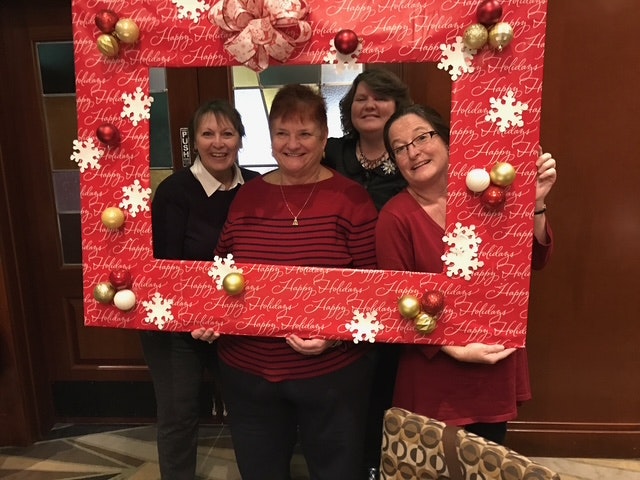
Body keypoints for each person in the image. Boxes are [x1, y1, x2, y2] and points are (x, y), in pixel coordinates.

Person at [193, 84, 378, 480]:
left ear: (324, 138)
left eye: (305, 133)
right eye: (282, 133)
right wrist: (210, 314)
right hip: (248, 371)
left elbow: (374, 289)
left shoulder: (352, 198)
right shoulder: (247, 197)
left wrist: (335, 334)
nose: (292, 144)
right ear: (270, 137)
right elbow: (222, 271)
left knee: (337, 471)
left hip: (332, 375)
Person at [376, 104, 557, 444]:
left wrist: (535, 204)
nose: (413, 152)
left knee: (484, 464)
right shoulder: (396, 217)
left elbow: (535, 260)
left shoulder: (488, 194)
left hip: (493, 361)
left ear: (445, 140)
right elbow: (397, 301)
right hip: (433, 372)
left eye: (421, 137)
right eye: (400, 148)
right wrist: (453, 347)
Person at [142, 99, 260, 480]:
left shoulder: (258, 187)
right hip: (177, 324)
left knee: (251, 411)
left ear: (241, 138)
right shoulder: (174, 192)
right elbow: (164, 269)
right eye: (208, 134)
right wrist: (195, 316)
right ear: (194, 141)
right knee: (179, 416)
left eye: (227, 133)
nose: (219, 142)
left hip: (240, 323)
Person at [322, 68, 413, 479]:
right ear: (349, 108)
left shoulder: (412, 153)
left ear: (398, 107)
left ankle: (383, 463)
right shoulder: (333, 153)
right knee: (345, 382)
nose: (370, 105)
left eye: (380, 98)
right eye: (361, 98)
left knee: (389, 380)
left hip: (399, 286)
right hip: (341, 284)